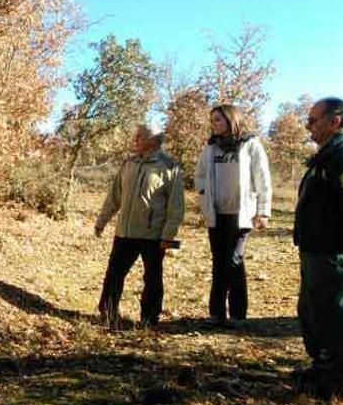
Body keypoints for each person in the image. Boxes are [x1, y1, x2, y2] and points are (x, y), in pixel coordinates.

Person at [293, 97, 343, 400]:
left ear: (334, 121)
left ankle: (339, 379)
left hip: (331, 248)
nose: (308, 126)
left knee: (331, 312)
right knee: (312, 311)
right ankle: (322, 367)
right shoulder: (326, 155)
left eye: (313, 120)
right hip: (314, 246)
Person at [95, 125, 185, 329]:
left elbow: (176, 207)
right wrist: (102, 221)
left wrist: (168, 236)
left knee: (152, 278)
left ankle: (150, 318)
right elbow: (114, 197)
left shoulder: (169, 167)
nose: (134, 139)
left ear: (153, 140)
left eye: (139, 136)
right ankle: (107, 313)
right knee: (114, 275)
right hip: (124, 233)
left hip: (153, 236)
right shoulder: (129, 163)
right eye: (134, 135)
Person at [194, 104, 272, 326]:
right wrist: (203, 192)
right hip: (216, 215)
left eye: (218, 119)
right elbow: (199, 174)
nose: (214, 124)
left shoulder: (250, 145)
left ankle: (238, 314)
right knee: (219, 262)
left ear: (231, 120)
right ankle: (216, 313)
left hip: (241, 214)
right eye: (212, 121)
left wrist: (263, 212)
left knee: (234, 261)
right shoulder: (210, 148)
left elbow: (263, 179)